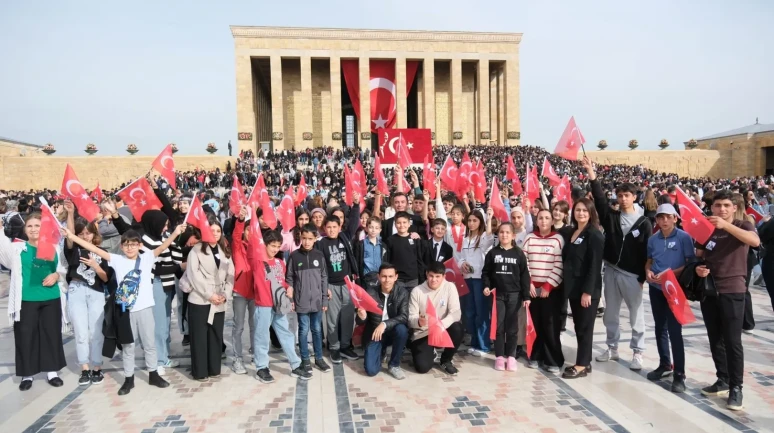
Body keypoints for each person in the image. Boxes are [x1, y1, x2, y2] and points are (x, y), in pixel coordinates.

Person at [64, 224, 186, 395]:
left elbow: (163, 246)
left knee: (150, 343)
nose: (130, 248)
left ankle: (153, 374)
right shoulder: (117, 260)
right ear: (121, 246)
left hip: (145, 308)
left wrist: (176, 232)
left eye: (133, 244)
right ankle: (129, 378)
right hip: (125, 310)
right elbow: (92, 248)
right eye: (126, 244)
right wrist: (72, 236)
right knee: (128, 346)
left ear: (139, 246)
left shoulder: (147, 258)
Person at [583, 156, 652, 370]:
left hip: (633, 275)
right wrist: (592, 174)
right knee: (611, 313)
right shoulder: (611, 217)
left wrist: (642, 276)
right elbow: (600, 199)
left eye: (627, 195)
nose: (623, 199)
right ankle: (612, 348)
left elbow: (648, 251)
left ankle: (638, 352)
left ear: (634, 197)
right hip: (612, 270)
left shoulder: (644, 222)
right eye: (620, 195)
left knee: (635, 315)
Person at [695, 189, 759, 411]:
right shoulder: (708, 230)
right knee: (715, 339)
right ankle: (722, 379)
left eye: (726, 206)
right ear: (711, 208)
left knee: (733, 341)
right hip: (710, 291)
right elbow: (700, 255)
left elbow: (753, 241)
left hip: (733, 290)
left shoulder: (743, 226)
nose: (721, 209)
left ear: (734, 208)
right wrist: (699, 269)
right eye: (717, 206)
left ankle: (736, 387)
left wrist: (726, 226)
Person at [1, 213, 68, 391]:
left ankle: (52, 372)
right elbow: (5, 258)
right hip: (26, 299)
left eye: (37, 226)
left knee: (51, 334)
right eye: (29, 226)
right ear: (25, 229)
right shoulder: (18, 249)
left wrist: (56, 275)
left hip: (50, 298)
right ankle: (27, 374)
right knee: (25, 335)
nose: (33, 229)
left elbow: (64, 268)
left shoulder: (54, 247)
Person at [644, 203, 695, 393]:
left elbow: (690, 262)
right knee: (660, 327)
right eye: (660, 217)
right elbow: (649, 260)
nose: (664, 220)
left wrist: (671, 274)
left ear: (675, 218)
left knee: (675, 331)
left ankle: (679, 374)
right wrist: (648, 271)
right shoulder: (653, 239)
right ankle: (665, 364)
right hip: (656, 288)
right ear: (656, 220)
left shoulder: (684, 237)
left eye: (668, 217)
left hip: (675, 290)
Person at [253, 229, 312, 383]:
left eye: (278, 246)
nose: (275, 249)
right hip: (264, 305)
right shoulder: (257, 262)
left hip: (279, 305)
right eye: (272, 245)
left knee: (286, 333)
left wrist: (289, 287)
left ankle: (295, 364)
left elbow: (282, 281)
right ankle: (261, 367)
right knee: (262, 336)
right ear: (264, 245)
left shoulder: (280, 262)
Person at [63, 205, 110, 386]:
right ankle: (85, 368)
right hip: (77, 290)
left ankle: (97, 367)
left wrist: (95, 265)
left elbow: (105, 278)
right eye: (81, 233)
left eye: (88, 233)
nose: (85, 236)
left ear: (94, 233)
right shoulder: (73, 249)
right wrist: (70, 213)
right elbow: (69, 235)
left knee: (96, 332)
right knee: (81, 332)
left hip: (96, 292)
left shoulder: (102, 251)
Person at [186, 215, 235, 382]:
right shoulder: (196, 250)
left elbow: (231, 276)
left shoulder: (225, 251)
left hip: (219, 298)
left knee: (215, 335)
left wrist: (225, 294)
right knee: (199, 336)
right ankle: (200, 371)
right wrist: (209, 295)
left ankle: (214, 368)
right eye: (211, 230)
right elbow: (194, 275)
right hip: (200, 298)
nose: (215, 234)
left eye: (218, 231)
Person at [561, 199, 605, 379]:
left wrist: (588, 291)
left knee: (585, 327)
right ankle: (585, 361)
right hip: (574, 287)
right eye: (578, 210)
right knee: (579, 326)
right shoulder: (573, 231)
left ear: (591, 213)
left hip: (587, 290)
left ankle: (582, 364)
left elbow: (595, 266)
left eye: (584, 211)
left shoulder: (594, 234)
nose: (580, 213)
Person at [482, 222, 531, 372]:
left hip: (514, 296)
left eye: (507, 233)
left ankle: (511, 356)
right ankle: (499, 357)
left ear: (513, 236)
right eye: (501, 232)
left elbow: (524, 275)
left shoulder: (519, 253)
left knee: (512, 328)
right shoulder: (493, 253)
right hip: (498, 296)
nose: (504, 235)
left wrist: (526, 296)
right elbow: (486, 273)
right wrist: (486, 286)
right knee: (499, 327)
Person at [522, 209, 565, 372]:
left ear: (552, 221)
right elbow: (524, 262)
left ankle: (553, 360)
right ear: (536, 220)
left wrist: (548, 286)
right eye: (541, 218)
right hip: (533, 288)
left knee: (550, 325)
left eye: (547, 218)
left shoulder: (558, 239)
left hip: (551, 290)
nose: (544, 221)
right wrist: (530, 283)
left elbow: (559, 265)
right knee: (535, 324)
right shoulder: (529, 238)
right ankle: (535, 355)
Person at [286, 224, 331, 373]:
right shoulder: (294, 256)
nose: (306, 242)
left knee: (317, 329)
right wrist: (292, 299)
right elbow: (290, 279)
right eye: (304, 238)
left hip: (317, 301)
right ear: (300, 237)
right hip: (301, 301)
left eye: (310, 239)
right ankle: (305, 359)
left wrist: (324, 298)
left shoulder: (319, 255)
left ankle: (319, 358)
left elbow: (324, 277)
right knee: (303, 330)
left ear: (315, 239)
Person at [316, 213, 360, 363]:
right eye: (328, 227)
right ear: (324, 228)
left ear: (340, 227)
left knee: (348, 318)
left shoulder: (344, 238)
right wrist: (324, 287)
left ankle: (346, 346)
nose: (332, 230)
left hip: (347, 284)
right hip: (331, 285)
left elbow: (354, 222)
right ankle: (334, 347)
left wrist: (355, 206)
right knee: (332, 319)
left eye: (335, 227)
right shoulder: (320, 243)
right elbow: (320, 268)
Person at [408, 262, 463, 376]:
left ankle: (446, 360)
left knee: (457, 328)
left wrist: (441, 324)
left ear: (444, 277)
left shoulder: (450, 287)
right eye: (431, 276)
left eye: (438, 276)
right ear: (426, 274)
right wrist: (418, 321)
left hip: (442, 328)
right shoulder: (417, 291)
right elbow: (410, 318)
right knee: (422, 368)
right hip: (423, 332)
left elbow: (456, 313)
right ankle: (426, 351)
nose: (434, 280)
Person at [358, 263, 409, 380]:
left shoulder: (402, 293)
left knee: (402, 330)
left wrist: (384, 324)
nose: (387, 280)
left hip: (392, 331)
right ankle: (382, 350)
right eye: (384, 276)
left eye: (390, 276)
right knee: (371, 371)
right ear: (378, 277)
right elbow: (360, 322)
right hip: (375, 333)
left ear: (396, 277)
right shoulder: (370, 293)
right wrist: (362, 316)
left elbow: (404, 316)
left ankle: (394, 365)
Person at [455, 208, 495, 357]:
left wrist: (489, 218)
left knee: (481, 313)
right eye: (470, 220)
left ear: (481, 222)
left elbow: (490, 238)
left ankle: (484, 345)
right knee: (469, 312)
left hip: (480, 279)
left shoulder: (484, 237)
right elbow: (460, 257)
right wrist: (462, 263)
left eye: (475, 220)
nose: (471, 223)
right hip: (467, 279)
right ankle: (474, 342)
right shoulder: (465, 239)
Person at [230, 206, 254, 374]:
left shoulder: (258, 249)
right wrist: (240, 220)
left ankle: (255, 352)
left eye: (253, 231)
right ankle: (237, 359)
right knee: (238, 326)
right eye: (248, 230)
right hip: (239, 291)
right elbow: (235, 236)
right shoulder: (238, 247)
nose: (249, 233)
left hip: (254, 293)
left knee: (255, 325)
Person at [384, 212, 426, 287]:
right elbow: (388, 260)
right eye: (399, 223)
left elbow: (419, 259)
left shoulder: (415, 239)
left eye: (404, 222)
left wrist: (421, 276)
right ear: (395, 224)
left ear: (409, 224)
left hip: (413, 278)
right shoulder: (390, 240)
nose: (402, 225)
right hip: (397, 278)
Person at [354, 216, 388, 290]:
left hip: (379, 277)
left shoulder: (383, 245)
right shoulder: (361, 244)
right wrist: (358, 277)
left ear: (380, 230)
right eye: (371, 227)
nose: (373, 230)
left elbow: (384, 261)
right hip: (366, 277)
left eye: (376, 228)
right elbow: (356, 261)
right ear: (366, 228)